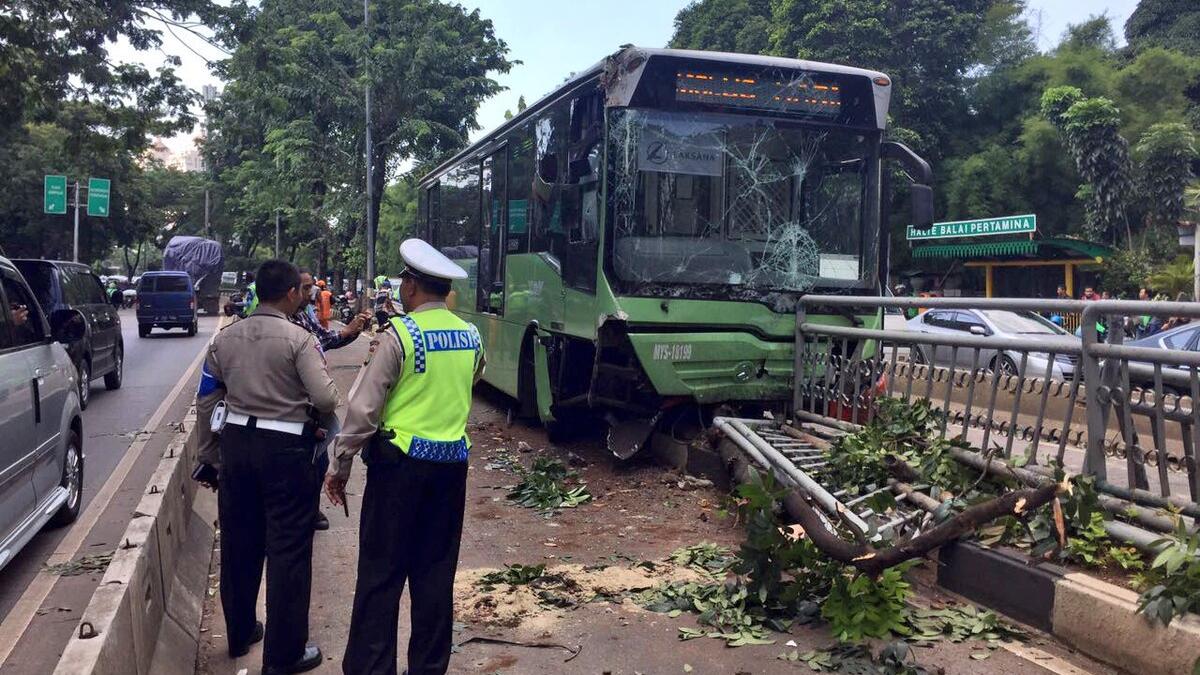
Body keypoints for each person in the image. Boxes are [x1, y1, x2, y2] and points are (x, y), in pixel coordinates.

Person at [325, 239, 484, 675]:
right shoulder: (471, 336)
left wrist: (339, 465)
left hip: (399, 469)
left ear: (412, 287)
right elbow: (474, 375)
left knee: (381, 574)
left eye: (403, 284)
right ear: (445, 292)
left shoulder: (401, 336)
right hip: (451, 469)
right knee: (435, 576)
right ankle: (429, 667)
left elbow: (363, 410)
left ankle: (372, 667)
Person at [194, 260, 339, 675]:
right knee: (289, 550)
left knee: (240, 544)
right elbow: (326, 400)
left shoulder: (225, 339)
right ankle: (284, 654)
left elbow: (206, 400)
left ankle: (240, 632)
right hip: (287, 451)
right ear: (292, 293)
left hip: (238, 448)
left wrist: (210, 455)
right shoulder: (299, 338)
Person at [289, 269, 371, 531]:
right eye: (305, 288)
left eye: (311, 287)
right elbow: (320, 343)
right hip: (295, 403)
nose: (310, 292)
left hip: (310, 405)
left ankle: (310, 510)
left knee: (319, 458)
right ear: (290, 290)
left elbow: (326, 339)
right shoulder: (288, 324)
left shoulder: (304, 314)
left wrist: (351, 332)